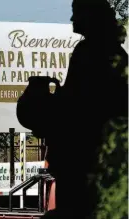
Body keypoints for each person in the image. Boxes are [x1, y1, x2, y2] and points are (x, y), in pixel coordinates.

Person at [38, 0, 128, 218]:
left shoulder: (88, 52)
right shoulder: (117, 54)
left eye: (76, 13)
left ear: (90, 17)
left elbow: (75, 107)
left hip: (84, 159)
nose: (72, 19)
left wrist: (49, 104)